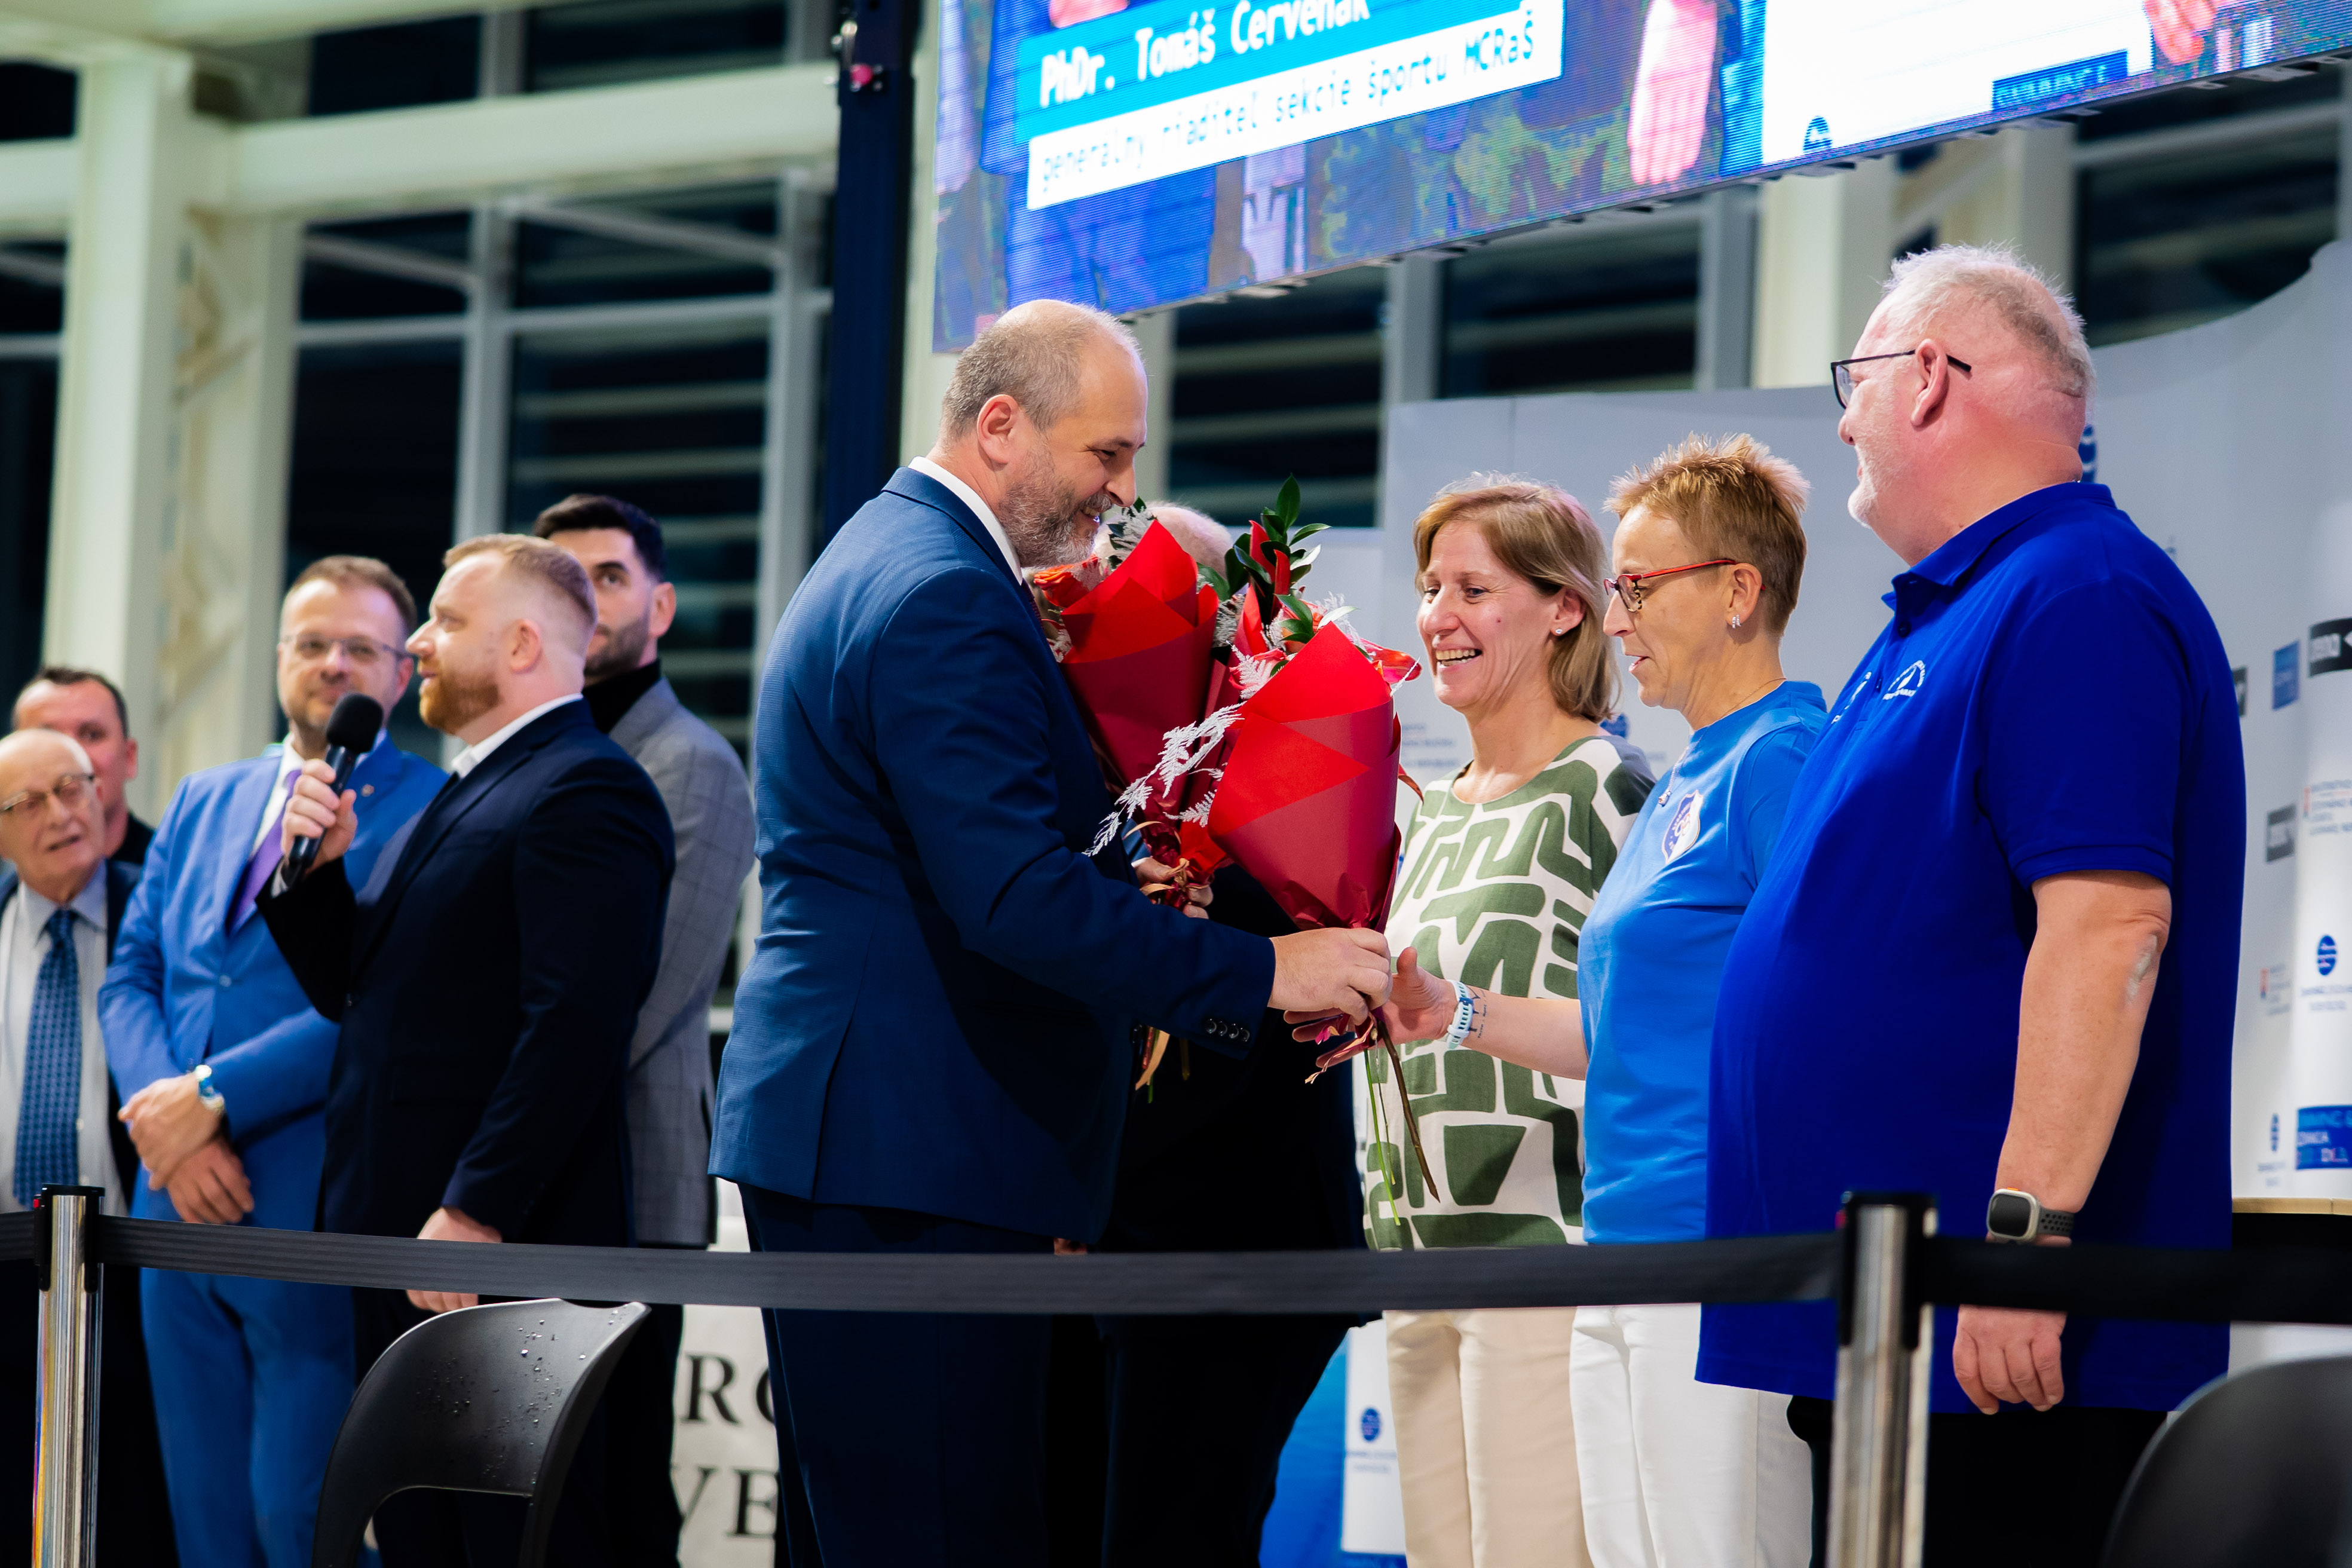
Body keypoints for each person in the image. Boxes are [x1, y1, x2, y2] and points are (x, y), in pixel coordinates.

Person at [709, 299, 1391, 1568]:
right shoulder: (945, 594)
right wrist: (1264, 967)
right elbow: (1010, 895)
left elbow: (949, 855)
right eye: (1106, 454)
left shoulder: (892, 552)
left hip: (886, 1145)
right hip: (912, 1154)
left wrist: (1128, 875)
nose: (1121, 494)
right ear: (1001, 426)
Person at [1698, 244, 2243, 1566]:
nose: (1843, 424)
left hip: (2001, 1341)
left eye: (1858, 382)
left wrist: (2021, 1245)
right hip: (1902, 1323)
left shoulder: (2077, 593)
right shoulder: (1951, 611)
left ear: (1932, 377)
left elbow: (2108, 926)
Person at [1376, 439, 1820, 1568]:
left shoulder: (1781, 758)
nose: (1619, 620)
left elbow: (1821, 1022)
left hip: (1710, 1243)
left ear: (1737, 590)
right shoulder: (1688, 777)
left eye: (1639, 588)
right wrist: (1450, 1011)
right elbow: (1619, 1034)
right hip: (1622, 1247)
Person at [261, 534, 674, 1568]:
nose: (418, 646)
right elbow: (369, 994)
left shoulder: (589, 787)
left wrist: (478, 1203)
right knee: (422, 1534)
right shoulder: (475, 781)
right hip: (407, 1236)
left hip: (492, 1248)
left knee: (513, 1542)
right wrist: (314, 877)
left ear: (523, 644)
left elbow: (576, 1022)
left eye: (446, 622)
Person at [99, 557, 445, 1568]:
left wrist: (216, 1096)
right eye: (313, 642)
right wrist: (167, 1119)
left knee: (298, 1520)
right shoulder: (205, 796)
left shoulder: (435, 809)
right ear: (280, 656)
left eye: (362, 647)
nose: (334, 663)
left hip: (309, 1200)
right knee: (202, 1522)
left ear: (400, 669)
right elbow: (134, 972)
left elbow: (382, 1002)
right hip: (171, 1200)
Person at [1051, 500, 1366, 1568]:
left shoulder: (1294, 749)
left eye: (1118, 594)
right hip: (1121, 1228)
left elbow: (1306, 963)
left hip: (1232, 1233)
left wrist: (1186, 908)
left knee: (1176, 1536)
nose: (1087, 620)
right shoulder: (1107, 763)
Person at [1356, 477, 1652, 1568]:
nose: (1438, 614)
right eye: (1431, 587)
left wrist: (1459, 1011)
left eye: (1474, 589)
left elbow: (1647, 1029)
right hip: (1414, 1254)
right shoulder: (1431, 811)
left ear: (1566, 606)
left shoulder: (1607, 784)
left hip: (1545, 1255)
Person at [537, 495, 757, 1568]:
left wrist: (499, 1119)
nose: (585, 599)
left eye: (609, 576)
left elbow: (646, 994)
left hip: (630, 1177)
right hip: (540, 1172)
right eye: (562, 580)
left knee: (616, 1488)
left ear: (662, 606)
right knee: (545, 1490)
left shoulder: (691, 761)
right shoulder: (543, 755)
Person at [0, 728, 177, 1567]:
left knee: (134, 1501)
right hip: (7, 1256)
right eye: (28, 802)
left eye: (73, 787)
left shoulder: (160, 916)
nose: (62, 813)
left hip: (133, 1266)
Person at [15, 666, 153, 866]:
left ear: (129, 758)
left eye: (92, 735)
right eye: (47, 739)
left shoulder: (178, 875)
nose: (71, 756)